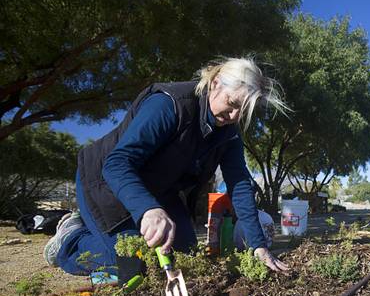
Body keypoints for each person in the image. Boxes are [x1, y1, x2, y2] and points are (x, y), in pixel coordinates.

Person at [44, 57, 290, 277]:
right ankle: (71, 241)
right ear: (215, 83)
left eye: (243, 111)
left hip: (159, 189)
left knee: (186, 259)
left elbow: (239, 185)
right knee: (137, 266)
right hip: (104, 182)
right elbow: (117, 163)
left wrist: (258, 245)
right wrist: (149, 210)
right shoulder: (169, 105)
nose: (235, 116)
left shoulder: (228, 133)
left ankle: (112, 230)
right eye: (232, 103)